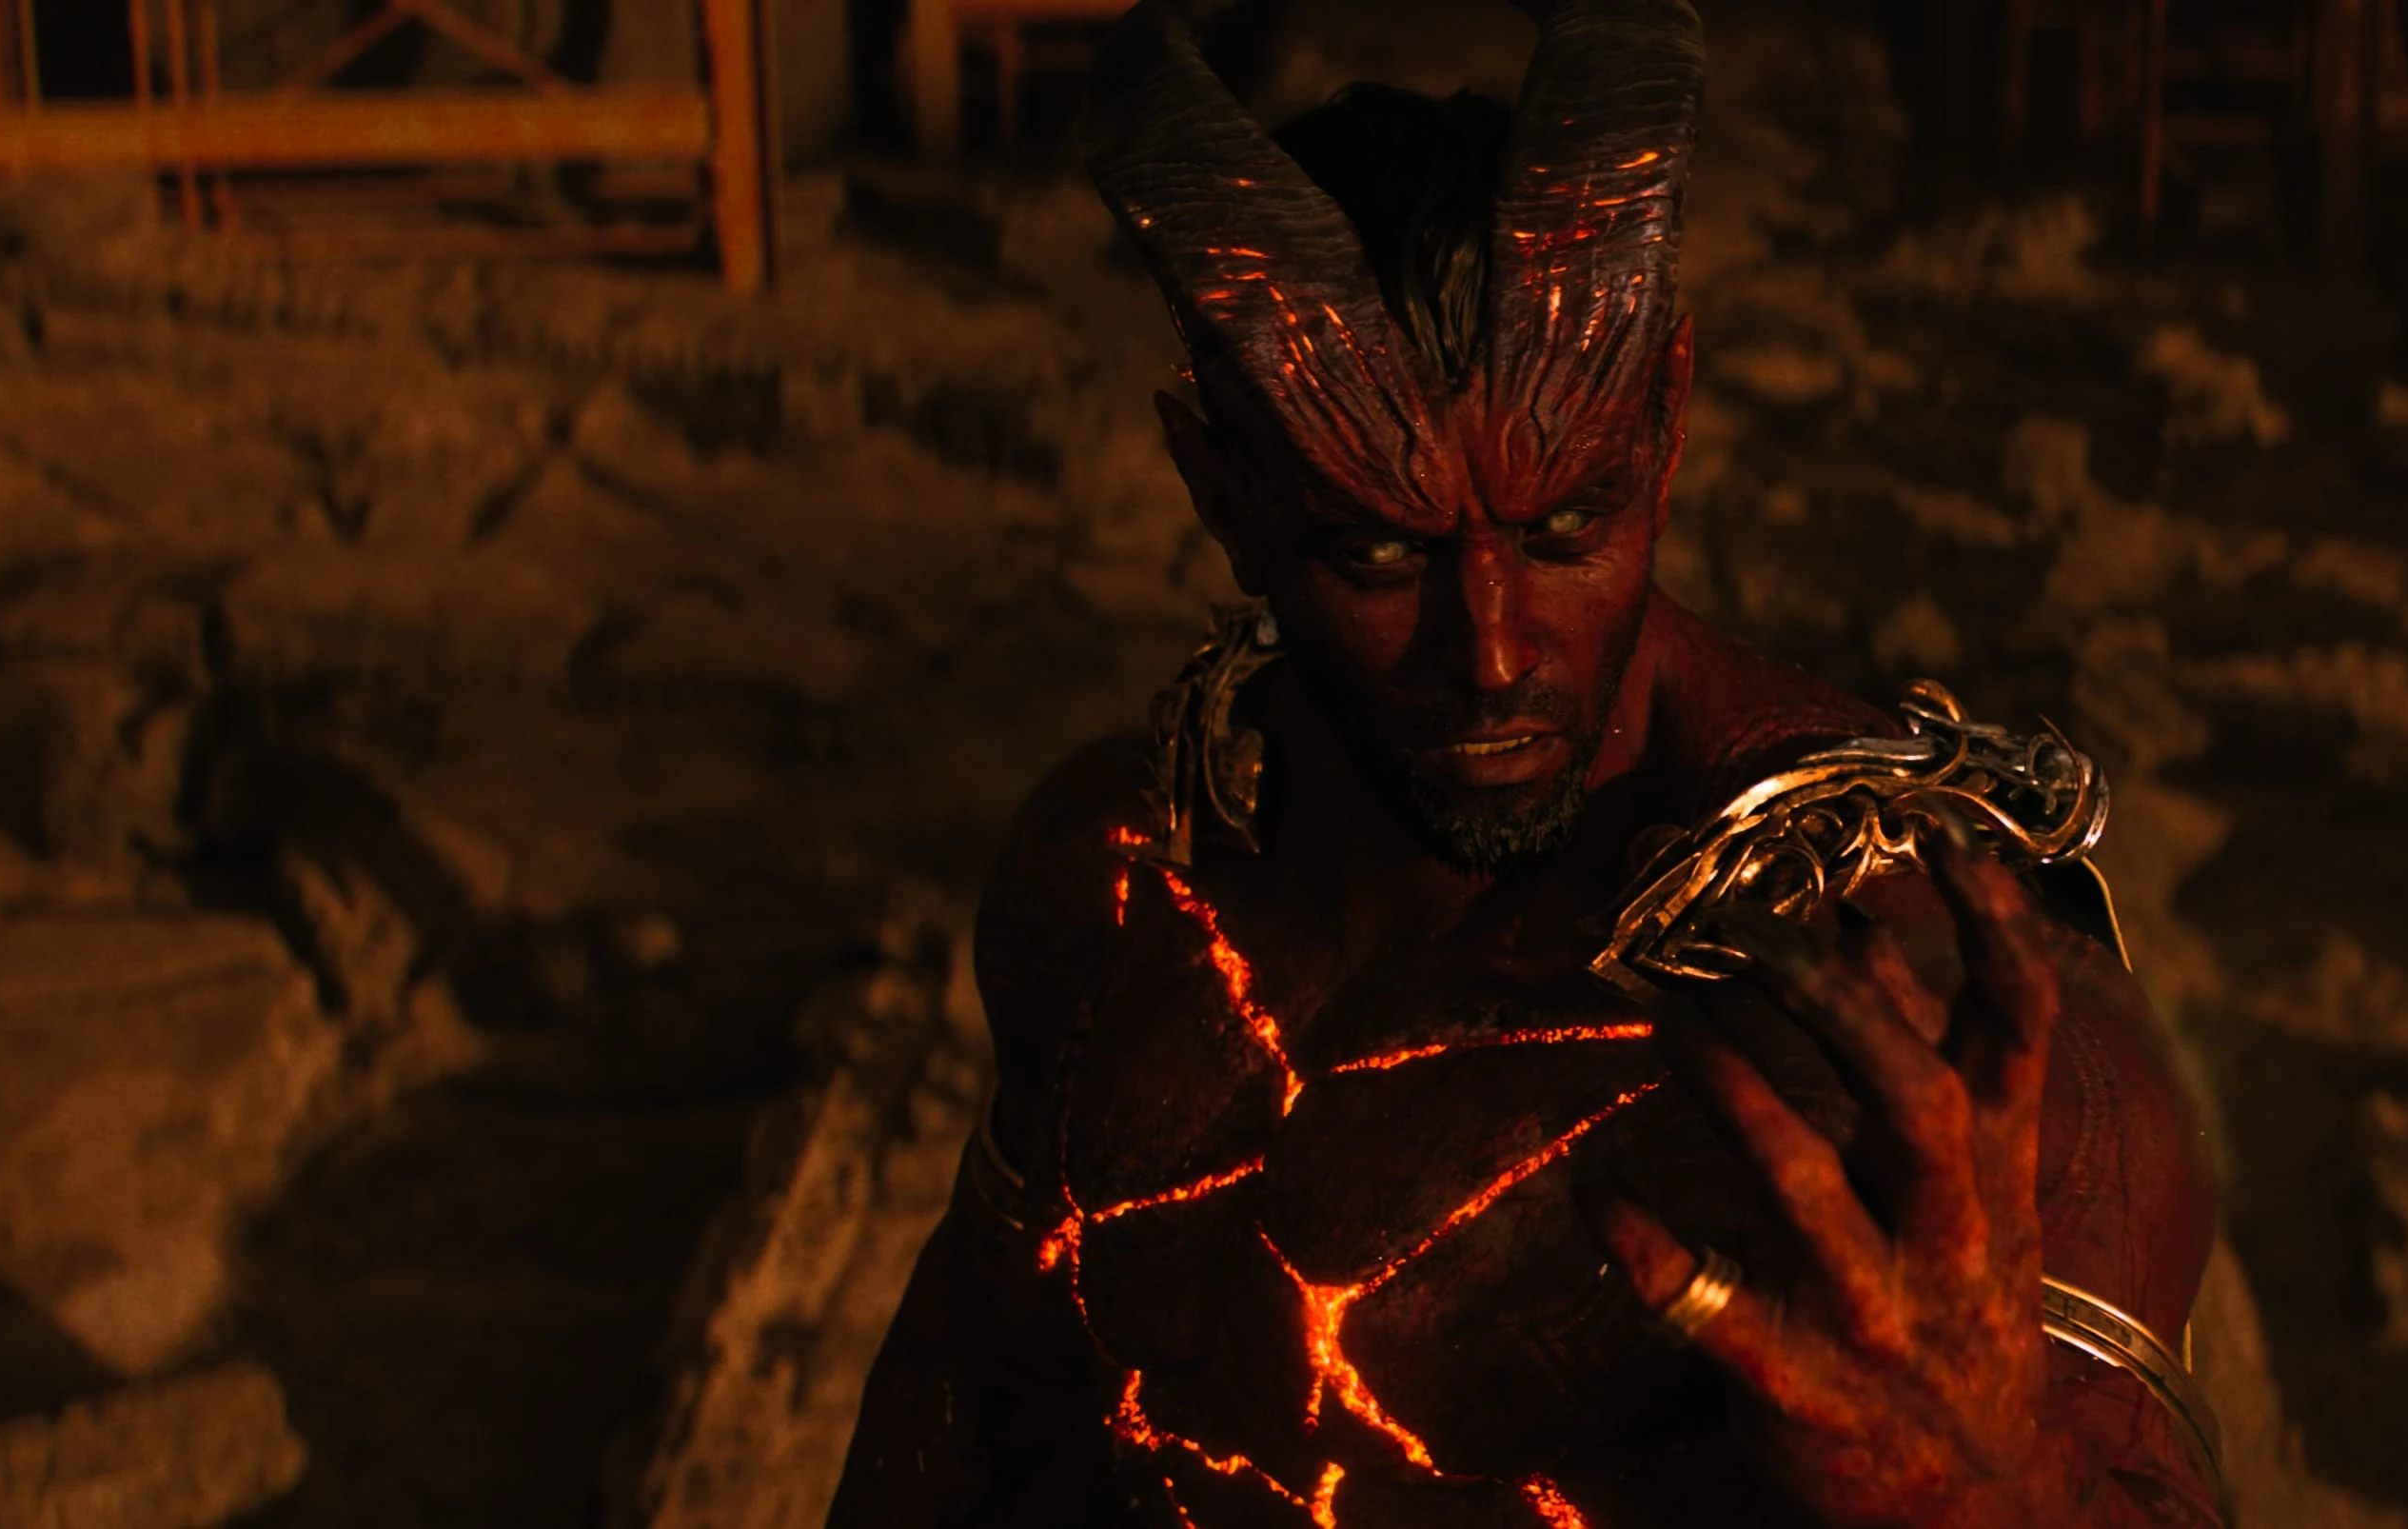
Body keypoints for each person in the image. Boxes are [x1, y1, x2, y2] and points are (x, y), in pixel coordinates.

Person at [830, 3, 2226, 1523]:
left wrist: (2005, 1494)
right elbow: (968, 1402)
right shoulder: (1118, 880)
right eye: (1380, 553)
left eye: (1566, 528)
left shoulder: (1928, 1037)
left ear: (1666, 422)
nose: (1492, 649)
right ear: (1221, 494)